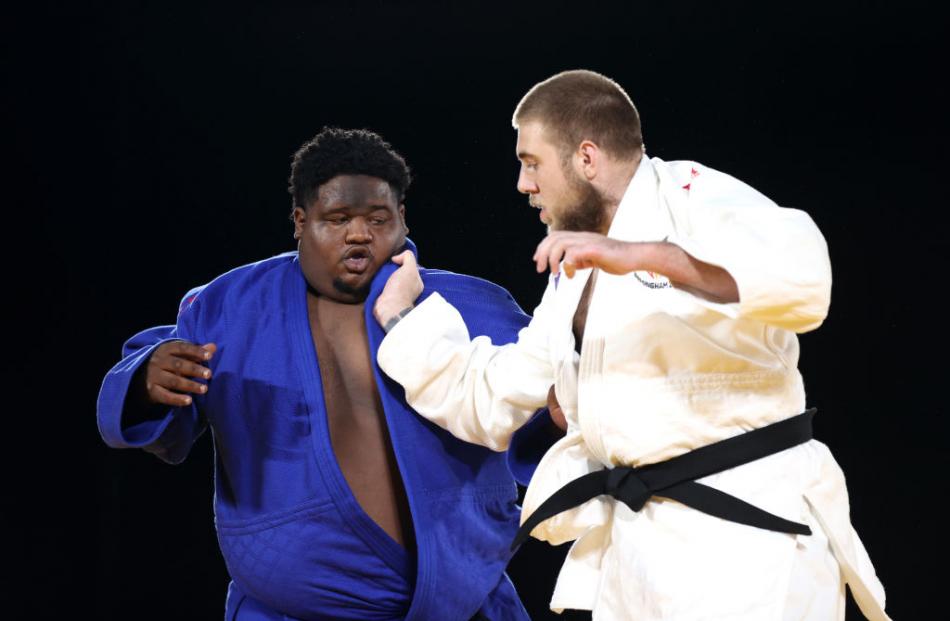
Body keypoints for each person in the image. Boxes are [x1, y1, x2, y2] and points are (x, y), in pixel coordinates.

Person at [372, 70, 891, 620]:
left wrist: (644, 255)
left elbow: (803, 279)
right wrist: (407, 316)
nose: (524, 184)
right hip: (640, 551)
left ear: (587, 158)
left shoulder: (694, 197)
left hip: (750, 548)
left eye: (532, 163)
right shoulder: (576, 269)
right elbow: (492, 396)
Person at [97, 127, 546, 621]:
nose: (359, 233)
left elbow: (544, 411)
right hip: (287, 609)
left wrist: (563, 414)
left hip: (461, 603)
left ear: (402, 219)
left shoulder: (474, 306)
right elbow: (160, 406)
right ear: (300, 221)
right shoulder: (231, 308)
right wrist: (145, 382)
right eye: (337, 219)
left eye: (377, 218)